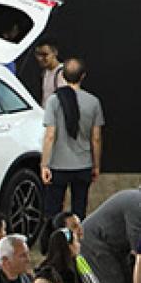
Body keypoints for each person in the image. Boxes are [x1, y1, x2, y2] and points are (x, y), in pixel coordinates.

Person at [42, 59, 104, 221]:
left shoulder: (53, 101)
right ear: (83, 76)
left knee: (53, 210)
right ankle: (76, 242)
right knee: (79, 210)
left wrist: (44, 164)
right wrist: (96, 165)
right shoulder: (93, 102)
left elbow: (50, 135)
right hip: (83, 164)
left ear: (62, 75)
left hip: (58, 164)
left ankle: (54, 242)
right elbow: (96, 138)